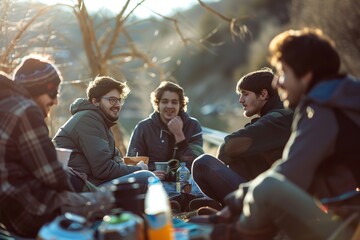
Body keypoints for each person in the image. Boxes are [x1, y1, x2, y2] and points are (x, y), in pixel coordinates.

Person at [193, 28, 360, 240]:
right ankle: (237, 225)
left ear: (306, 76)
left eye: (283, 73)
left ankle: (233, 233)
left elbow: (288, 174)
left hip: (349, 227)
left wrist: (234, 205)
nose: (277, 82)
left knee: (268, 187)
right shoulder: (344, 101)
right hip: (345, 218)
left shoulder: (323, 109)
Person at [0, 55, 113, 238]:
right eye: (53, 93)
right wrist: (73, 184)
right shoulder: (26, 110)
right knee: (114, 201)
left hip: (11, 212)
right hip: (34, 208)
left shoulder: (6, 106)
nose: (55, 101)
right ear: (39, 89)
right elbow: (52, 175)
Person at [192, 68, 293, 205]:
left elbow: (229, 146)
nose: (240, 100)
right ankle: (228, 209)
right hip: (268, 191)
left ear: (263, 94)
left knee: (202, 164)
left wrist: (228, 155)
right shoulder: (279, 116)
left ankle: (231, 209)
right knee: (241, 157)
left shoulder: (276, 120)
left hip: (274, 198)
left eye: (245, 94)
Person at [53, 76, 155, 190]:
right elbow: (103, 169)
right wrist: (139, 169)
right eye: (112, 99)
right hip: (83, 187)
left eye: (118, 100)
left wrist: (132, 167)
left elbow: (113, 162)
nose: (117, 105)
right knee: (146, 177)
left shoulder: (100, 121)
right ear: (95, 101)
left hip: (92, 182)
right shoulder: (88, 119)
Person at [126, 81, 207, 211]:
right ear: (157, 104)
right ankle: (174, 202)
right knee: (146, 184)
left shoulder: (192, 125)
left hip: (186, 183)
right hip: (158, 182)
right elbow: (131, 162)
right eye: (164, 101)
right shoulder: (143, 127)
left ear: (181, 105)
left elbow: (196, 164)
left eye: (174, 102)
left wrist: (179, 134)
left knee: (199, 181)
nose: (169, 106)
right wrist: (151, 172)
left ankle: (190, 202)